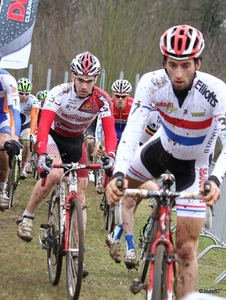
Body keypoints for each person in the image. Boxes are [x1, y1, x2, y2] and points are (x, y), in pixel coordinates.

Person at [106, 24, 224, 298]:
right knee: (126, 192)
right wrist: (118, 173)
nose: (179, 73)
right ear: (164, 63)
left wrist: (216, 180)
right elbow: (134, 129)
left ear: (198, 62)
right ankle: (121, 238)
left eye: (186, 65)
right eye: (173, 65)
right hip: (159, 149)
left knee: (185, 248)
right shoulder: (151, 82)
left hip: (195, 165)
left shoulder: (216, 90)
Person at [16, 51, 117, 277]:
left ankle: (77, 251)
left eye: (89, 81)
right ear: (73, 76)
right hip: (53, 137)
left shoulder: (101, 99)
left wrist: (111, 154)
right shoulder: (59, 93)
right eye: (80, 80)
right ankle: (27, 216)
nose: (84, 85)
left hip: (76, 142)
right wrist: (42, 154)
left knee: (81, 196)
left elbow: (110, 131)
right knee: (54, 174)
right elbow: (43, 125)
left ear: (95, 80)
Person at [0, 57, 21, 209]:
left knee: (3, 147)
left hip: (2, 117)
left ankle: (2, 188)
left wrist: (14, 137)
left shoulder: (7, 79)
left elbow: (15, 111)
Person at [17, 78, 39, 178]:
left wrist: (32, 133)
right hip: (14, 124)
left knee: (28, 142)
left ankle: (23, 167)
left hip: (26, 125)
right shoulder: (11, 98)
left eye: (27, 93)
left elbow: (34, 118)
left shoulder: (33, 100)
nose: (24, 96)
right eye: (21, 93)